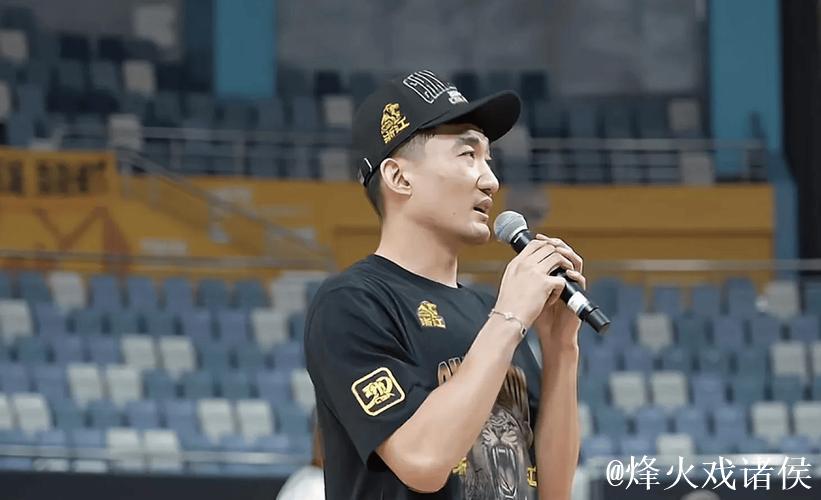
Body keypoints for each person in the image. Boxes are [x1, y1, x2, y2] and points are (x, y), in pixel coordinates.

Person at [304, 70, 583, 499]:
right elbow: (421, 462)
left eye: (488, 159)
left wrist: (561, 347)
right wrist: (509, 318)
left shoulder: (487, 311)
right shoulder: (352, 303)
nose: (490, 180)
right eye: (467, 154)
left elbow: (554, 491)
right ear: (399, 178)